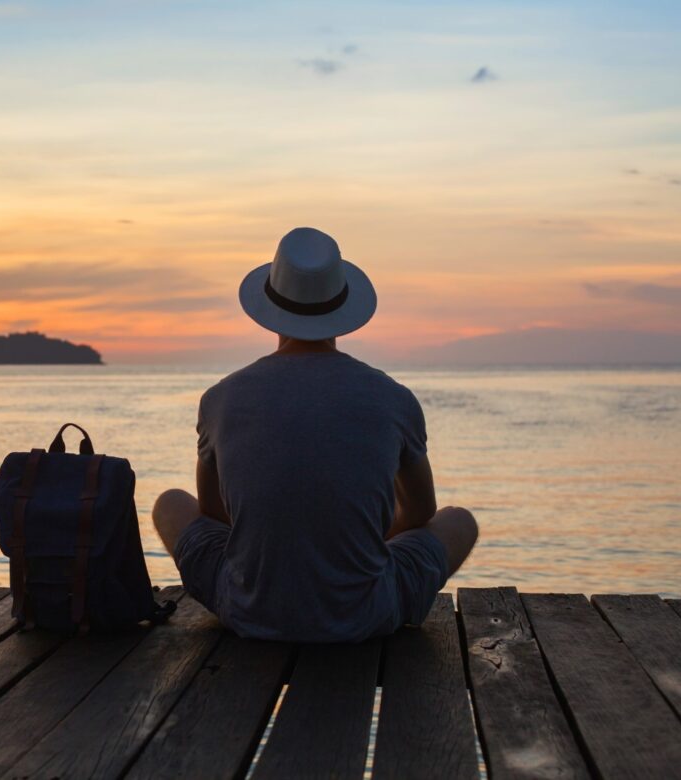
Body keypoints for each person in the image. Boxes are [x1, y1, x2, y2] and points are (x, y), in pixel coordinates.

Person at [152, 227, 478, 642]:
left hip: (249, 612)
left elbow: (217, 515)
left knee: (170, 503)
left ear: (270, 306)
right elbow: (420, 512)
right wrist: (347, 540)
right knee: (458, 520)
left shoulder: (220, 398)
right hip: (365, 617)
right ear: (341, 310)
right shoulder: (394, 398)